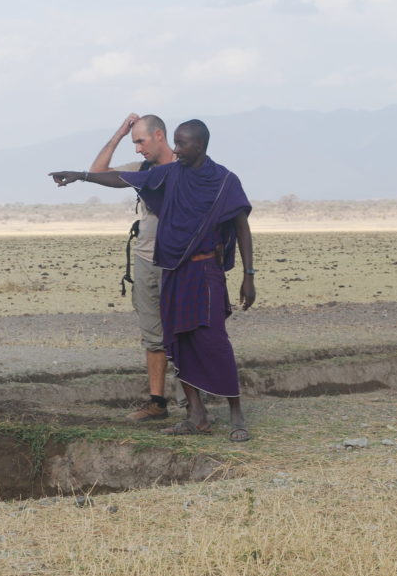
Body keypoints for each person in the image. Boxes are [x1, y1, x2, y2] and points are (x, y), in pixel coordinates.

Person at [49, 119, 255, 442]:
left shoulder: (225, 181)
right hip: (174, 271)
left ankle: (236, 413)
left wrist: (249, 276)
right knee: (179, 343)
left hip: (205, 272)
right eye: (175, 142)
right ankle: (197, 414)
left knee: (215, 343)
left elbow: (242, 227)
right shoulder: (170, 174)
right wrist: (82, 176)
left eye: (182, 144)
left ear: (199, 146)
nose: (176, 149)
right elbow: (124, 178)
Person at [85, 113, 186, 422]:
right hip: (144, 260)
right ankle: (157, 402)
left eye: (140, 141)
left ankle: (191, 407)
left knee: (183, 333)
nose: (138, 149)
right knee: (153, 335)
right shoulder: (140, 170)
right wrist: (119, 132)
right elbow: (97, 172)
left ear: (159, 135)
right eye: (134, 142)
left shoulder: (186, 167)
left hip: (178, 261)